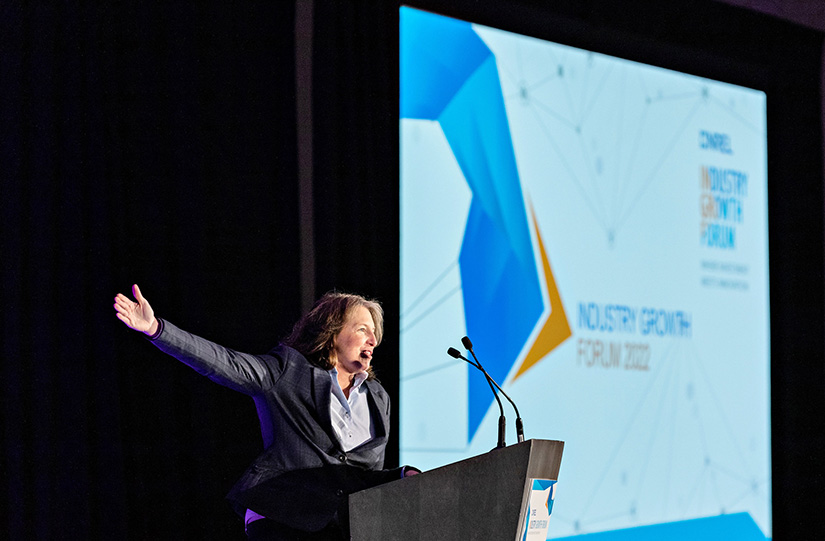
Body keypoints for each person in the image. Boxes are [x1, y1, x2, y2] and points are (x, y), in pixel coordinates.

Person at [114, 284, 418, 540]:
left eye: (375, 333)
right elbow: (223, 362)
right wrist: (157, 329)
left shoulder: (378, 397)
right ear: (333, 332)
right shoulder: (289, 371)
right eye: (363, 329)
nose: (373, 340)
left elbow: (361, 476)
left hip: (341, 526)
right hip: (282, 515)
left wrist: (401, 475)